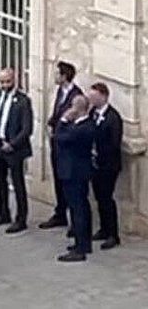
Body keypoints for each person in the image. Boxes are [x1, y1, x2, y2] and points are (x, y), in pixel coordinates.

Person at [0, 66, 33, 234]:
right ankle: (3, 212)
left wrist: (12, 144)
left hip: (14, 149)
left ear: (15, 81)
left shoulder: (23, 101)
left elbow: (27, 128)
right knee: (0, 181)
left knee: (18, 182)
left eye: (8, 81)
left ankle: (21, 218)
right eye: (2, 81)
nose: (5, 85)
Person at [41, 60, 84, 231]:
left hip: (66, 145)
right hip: (57, 142)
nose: (54, 76)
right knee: (58, 180)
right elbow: (57, 112)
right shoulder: (60, 91)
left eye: (57, 73)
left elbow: (73, 119)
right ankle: (60, 213)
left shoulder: (76, 95)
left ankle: (75, 221)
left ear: (64, 76)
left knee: (69, 184)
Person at [54, 94, 96, 262]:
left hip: (74, 173)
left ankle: (80, 248)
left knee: (77, 209)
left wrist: (63, 120)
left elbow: (59, 137)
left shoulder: (80, 128)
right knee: (82, 207)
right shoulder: (84, 125)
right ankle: (84, 243)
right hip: (80, 171)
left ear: (77, 109)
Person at [89, 82, 124, 250]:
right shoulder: (93, 113)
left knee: (107, 198)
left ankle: (113, 234)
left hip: (108, 165)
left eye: (94, 97)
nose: (92, 100)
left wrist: (99, 150)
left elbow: (114, 143)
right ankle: (103, 228)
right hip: (96, 165)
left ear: (103, 96)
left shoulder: (113, 117)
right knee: (99, 197)